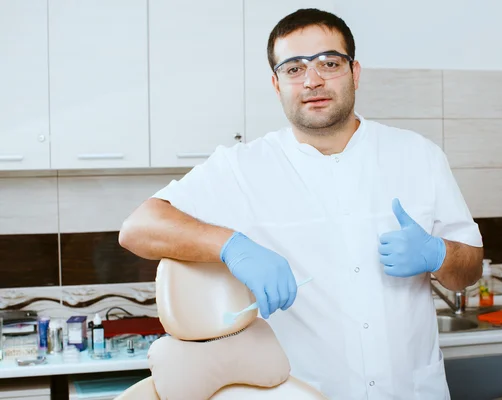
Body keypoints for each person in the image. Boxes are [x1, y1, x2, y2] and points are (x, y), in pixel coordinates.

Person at [119, 8, 483, 400]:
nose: (313, 80)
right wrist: (231, 246)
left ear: (355, 72)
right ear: (276, 84)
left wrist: (439, 254)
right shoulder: (242, 167)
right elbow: (138, 228)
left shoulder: (419, 156)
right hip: (304, 392)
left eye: (329, 63)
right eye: (294, 68)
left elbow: (469, 271)